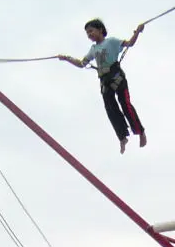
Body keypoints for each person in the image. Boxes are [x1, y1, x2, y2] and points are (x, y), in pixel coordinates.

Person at [59, 19, 147, 154]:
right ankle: (122, 137)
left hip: (116, 76)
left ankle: (140, 131)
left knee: (125, 104)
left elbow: (130, 43)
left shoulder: (111, 41)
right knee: (110, 109)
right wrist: (67, 59)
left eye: (91, 31)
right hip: (105, 81)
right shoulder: (93, 49)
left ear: (100, 29)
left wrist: (138, 32)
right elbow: (82, 63)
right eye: (87, 33)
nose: (89, 34)